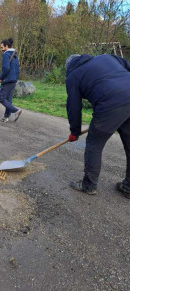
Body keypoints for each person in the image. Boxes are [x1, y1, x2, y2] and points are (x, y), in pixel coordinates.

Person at [65, 54, 130, 199]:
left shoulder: (73, 76)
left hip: (110, 103)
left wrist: (74, 132)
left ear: (68, 67)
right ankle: (129, 187)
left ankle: (89, 185)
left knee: (94, 144)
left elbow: (74, 107)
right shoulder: (107, 57)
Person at [0, 38, 22, 123]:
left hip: (7, 80)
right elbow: (18, 70)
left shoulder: (6, 54)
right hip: (14, 80)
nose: (1, 49)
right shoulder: (15, 55)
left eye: (2, 47)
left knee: (1, 98)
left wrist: (1, 77)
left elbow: (6, 68)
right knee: (8, 99)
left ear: (6, 46)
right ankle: (6, 117)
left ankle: (15, 111)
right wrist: (15, 78)